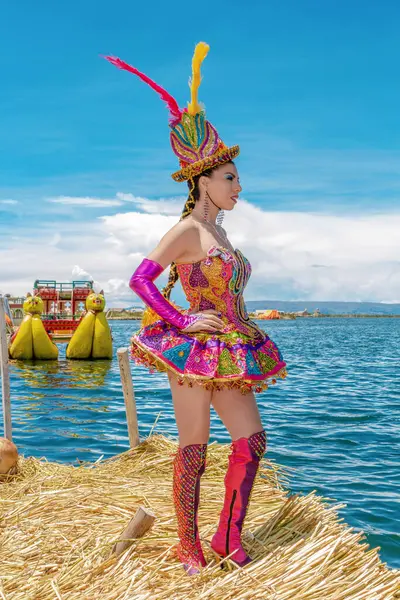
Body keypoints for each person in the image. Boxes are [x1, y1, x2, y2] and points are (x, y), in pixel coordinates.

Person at [106, 42, 286, 575]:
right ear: (203, 181)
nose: (238, 186)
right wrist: (182, 318)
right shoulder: (187, 230)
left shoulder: (220, 234)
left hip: (233, 347)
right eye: (229, 178)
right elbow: (141, 279)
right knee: (194, 449)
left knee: (251, 443)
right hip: (193, 351)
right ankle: (188, 545)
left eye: (237, 178)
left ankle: (226, 533)